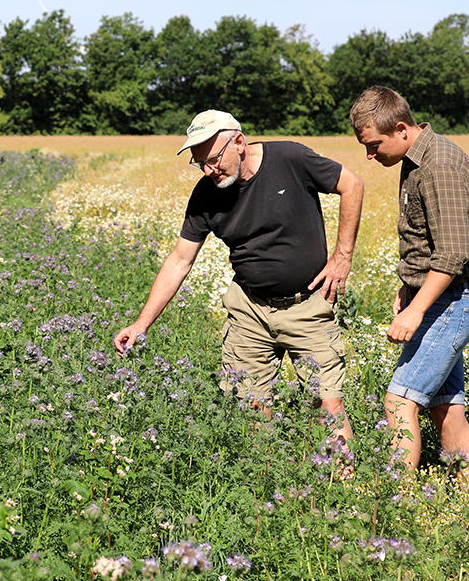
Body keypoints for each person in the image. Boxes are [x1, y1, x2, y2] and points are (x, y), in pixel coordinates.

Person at [112, 110, 363, 435]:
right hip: (249, 312)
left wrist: (342, 257)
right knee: (252, 410)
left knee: (327, 407)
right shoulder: (205, 194)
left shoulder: (290, 158)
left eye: (213, 159)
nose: (207, 170)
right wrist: (141, 324)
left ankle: (340, 482)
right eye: (199, 162)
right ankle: (263, 484)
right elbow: (179, 260)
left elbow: (352, 185)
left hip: (308, 306)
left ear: (240, 142)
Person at [348, 86, 469, 475]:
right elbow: (426, 242)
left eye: (374, 144)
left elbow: (452, 254)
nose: (370, 155)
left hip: (451, 302)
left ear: (400, 128)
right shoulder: (415, 159)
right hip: (439, 298)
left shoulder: (438, 165)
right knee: (445, 407)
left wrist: (416, 311)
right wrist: (408, 288)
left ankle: (398, 503)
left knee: (398, 402)